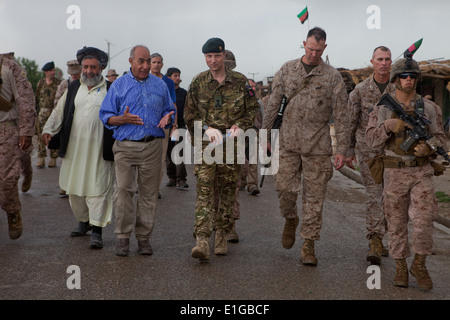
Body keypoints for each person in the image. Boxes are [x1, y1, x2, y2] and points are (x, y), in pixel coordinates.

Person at [261, 27, 348, 266]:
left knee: (314, 198)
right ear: (304, 44)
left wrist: (343, 149)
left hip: (318, 146)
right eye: (310, 48)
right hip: (288, 143)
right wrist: (265, 136)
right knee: (284, 189)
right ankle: (290, 218)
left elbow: (342, 115)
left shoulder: (333, 77)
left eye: (318, 50)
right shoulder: (287, 70)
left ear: (325, 48)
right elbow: (272, 106)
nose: (313, 53)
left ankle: (308, 244)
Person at [365, 56, 447, 290]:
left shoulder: (430, 108)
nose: (408, 79)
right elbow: (370, 140)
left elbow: (441, 138)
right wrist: (387, 126)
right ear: (395, 79)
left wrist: (428, 148)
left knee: (424, 220)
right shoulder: (382, 107)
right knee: (396, 223)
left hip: (421, 171)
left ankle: (419, 264)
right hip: (394, 172)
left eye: (412, 76)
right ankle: (401, 266)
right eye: (403, 76)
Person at [184, 38, 259, 261]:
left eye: (217, 56)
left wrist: (241, 125)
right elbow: (189, 114)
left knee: (227, 191)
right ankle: (202, 240)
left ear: (224, 55)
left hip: (232, 144)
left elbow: (251, 109)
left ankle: (222, 236)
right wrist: (205, 128)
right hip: (207, 145)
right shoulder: (198, 83)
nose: (213, 61)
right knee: (205, 191)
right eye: (208, 57)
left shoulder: (240, 81)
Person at [99, 45, 175, 256]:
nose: (145, 66)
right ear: (131, 61)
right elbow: (105, 115)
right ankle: (122, 237)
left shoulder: (160, 85)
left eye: (148, 61)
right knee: (123, 190)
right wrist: (120, 119)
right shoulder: (118, 86)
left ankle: (144, 238)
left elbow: (170, 109)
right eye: (140, 61)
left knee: (149, 194)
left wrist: (169, 116)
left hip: (152, 146)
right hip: (125, 147)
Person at [42, 47, 114, 249]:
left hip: (99, 149)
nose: (89, 71)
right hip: (74, 148)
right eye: (86, 67)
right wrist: (48, 129)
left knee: (98, 188)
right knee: (74, 188)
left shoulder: (110, 89)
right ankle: (83, 222)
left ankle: (97, 230)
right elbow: (59, 111)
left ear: (101, 68)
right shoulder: (73, 88)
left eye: (93, 67)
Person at [345, 46, 395, 264]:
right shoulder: (360, 91)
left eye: (387, 59)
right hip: (369, 152)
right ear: (372, 62)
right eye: (380, 59)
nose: (384, 63)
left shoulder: (399, 89)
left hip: (395, 153)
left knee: (391, 196)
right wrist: (347, 151)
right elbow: (350, 122)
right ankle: (375, 240)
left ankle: (389, 237)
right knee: (375, 194)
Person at [0, 52, 36, 239]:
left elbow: (25, 100)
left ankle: (12, 212)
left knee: (6, 179)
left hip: (6, 131)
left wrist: (26, 131)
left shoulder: (10, 68)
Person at [53, 59, 82, 196]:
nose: (74, 77)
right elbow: (57, 102)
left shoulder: (86, 83)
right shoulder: (65, 84)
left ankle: (78, 184)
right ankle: (65, 185)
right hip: (67, 125)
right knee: (67, 155)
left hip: (81, 125)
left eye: (77, 74)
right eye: (72, 74)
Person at [150, 53, 177, 197]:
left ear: (162, 64)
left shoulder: (168, 82)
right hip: (145, 124)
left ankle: (156, 188)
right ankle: (143, 186)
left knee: (160, 158)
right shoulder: (142, 78)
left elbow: (173, 104)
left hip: (163, 126)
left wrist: (174, 124)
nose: (156, 65)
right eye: (153, 62)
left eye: (158, 62)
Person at [165, 67, 188, 189]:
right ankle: (172, 177)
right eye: (175, 75)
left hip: (180, 126)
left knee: (179, 152)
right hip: (166, 126)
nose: (178, 78)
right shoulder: (165, 91)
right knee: (168, 153)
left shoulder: (184, 93)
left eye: (178, 75)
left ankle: (181, 179)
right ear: (169, 77)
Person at [35, 61, 61, 168]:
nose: (53, 72)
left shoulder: (58, 83)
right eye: (51, 71)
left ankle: (53, 158)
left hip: (54, 112)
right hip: (42, 112)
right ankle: (41, 158)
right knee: (41, 135)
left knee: (53, 134)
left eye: (54, 70)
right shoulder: (41, 83)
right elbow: (36, 98)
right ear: (46, 72)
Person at [241, 78, 262, 196]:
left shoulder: (258, 103)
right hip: (240, 133)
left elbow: (263, 117)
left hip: (254, 132)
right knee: (241, 160)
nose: (252, 89)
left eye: (254, 87)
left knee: (253, 159)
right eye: (250, 86)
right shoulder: (238, 102)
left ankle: (252, 185)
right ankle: (242, 181)